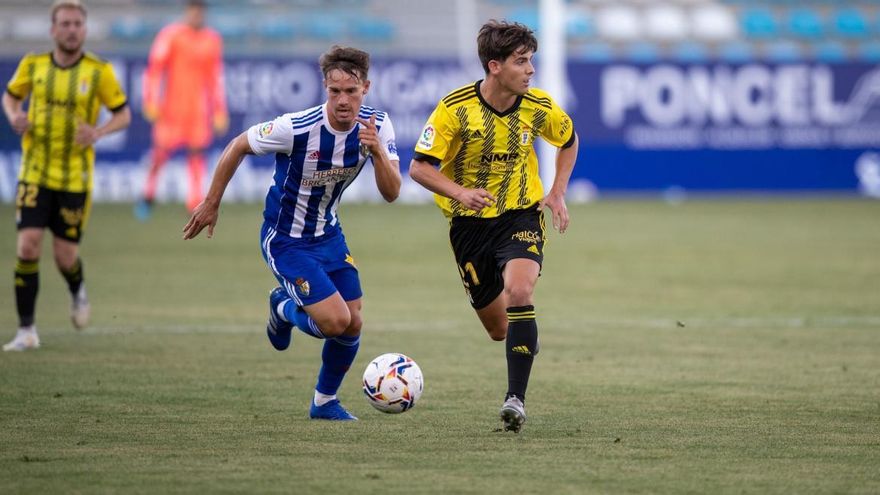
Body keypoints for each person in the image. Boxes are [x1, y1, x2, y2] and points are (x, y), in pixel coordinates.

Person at [182, 46, 401, 421]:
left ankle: (324, 402)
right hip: (285, 239)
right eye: (335, 92)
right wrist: (212, 202)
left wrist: (379, 153)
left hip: (328, 235)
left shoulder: (377, 127)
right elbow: (238, 145)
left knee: (354, 322)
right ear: (324, 88)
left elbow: (392, 192)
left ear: (366, 87)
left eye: (351, 92)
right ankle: (282, 307)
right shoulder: (296, 128)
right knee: (334, 322)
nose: (343, 101)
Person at [409, 20, 578, 432]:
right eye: (522, 61)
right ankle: (523, 338)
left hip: (521, 213)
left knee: (520, 290)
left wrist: (556, 191)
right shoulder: (455, 109)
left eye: (532, 60)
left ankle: (515, 399)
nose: (531, 70)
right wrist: (461, 193)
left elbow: (569, 139)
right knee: (500, 329)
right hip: (468, 226)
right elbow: (418, 168)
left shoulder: (538, 107)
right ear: (495, 66)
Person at [2, 0, 131, 351]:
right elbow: (11, 98)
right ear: (53, 29)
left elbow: (123, 114)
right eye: (65, 23)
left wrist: (99, 132)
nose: (71, 29)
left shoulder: (98, 72)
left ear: (84, 30)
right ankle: (27, 331)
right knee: (27, 246)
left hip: (75, 178)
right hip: (35, 173)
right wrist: (14, 116)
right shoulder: (33, 65)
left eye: (77, 24)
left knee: (64, 257)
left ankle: (77, 289)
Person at [135, 0, 228, 219]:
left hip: (197, 111)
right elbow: (155, 69)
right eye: (193, 10)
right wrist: (151, 100)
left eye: (200, 11)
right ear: (187, 11)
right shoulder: (171, 35)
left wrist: (219, 110)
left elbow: (215, 78)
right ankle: (147, 196)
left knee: (196, 157)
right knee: (159, 154)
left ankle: (194, 203)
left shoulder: (212, 40)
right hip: (171, 109)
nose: (197, 15)